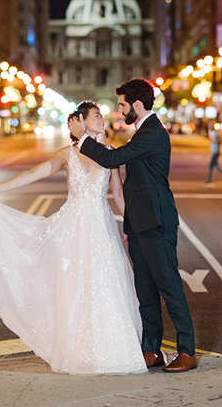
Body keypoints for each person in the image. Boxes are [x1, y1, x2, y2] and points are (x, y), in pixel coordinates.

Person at [0, 101, 147, 376]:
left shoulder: (110, 154)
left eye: (101, 116)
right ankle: (80, 351)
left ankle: (114, 350)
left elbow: (118, 195)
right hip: (73, 228)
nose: (102, 119)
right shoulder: (67, 155)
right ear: (80, 122)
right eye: (96, 115)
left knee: (106, 284)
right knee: (75, 288)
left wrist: (131, 226)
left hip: (102, 227)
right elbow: (35, 172)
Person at [69, 78, 196, 373]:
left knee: (169, 286)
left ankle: (187, 352)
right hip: (139, 224)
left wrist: (83, 138)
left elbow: (113, 158)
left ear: (137, 104)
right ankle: (151, 349)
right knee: (145, 289)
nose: (120, 110)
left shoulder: (153, 133)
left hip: (157, 222)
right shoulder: (142, 132)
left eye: (123, 104)